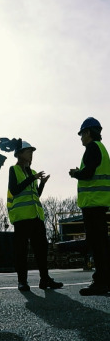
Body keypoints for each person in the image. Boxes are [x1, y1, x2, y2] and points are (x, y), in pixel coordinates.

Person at [7, 140, 63, 292]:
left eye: (32, 152)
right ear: (19, 154)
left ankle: (45, 279)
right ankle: (22, 281)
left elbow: (36, 194)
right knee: (21, 250)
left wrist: (42, 183)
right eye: (28, 151)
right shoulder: (14, 170)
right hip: (22, 218)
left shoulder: (32, 173)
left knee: (41, 249)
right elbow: (15, 189)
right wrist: (33, 178)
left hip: (36, 217)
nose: (31, 154)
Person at [69, 117, 110, 296]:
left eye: (81, 134)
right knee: (102, 243)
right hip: (99, 203)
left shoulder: (92, 148)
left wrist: (76, 173)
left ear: (88, 133)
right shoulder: (102, 149)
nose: (80, 138)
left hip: (93, 204)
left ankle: (101, 282)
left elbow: (88, 172)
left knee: (98, 244)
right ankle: (104, 280)